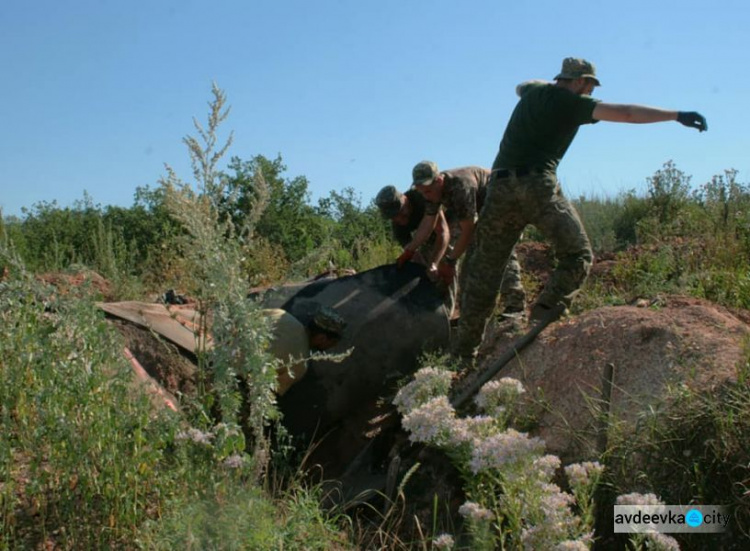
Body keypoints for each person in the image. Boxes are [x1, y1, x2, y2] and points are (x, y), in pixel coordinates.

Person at [453, 57, 707, 360]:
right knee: (578, 254)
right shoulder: (571, 103)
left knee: (486, 270)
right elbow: (625, 113)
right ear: (580, 81)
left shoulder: (534, 93)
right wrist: (676, 115)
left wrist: (546, 84)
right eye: (589, 85)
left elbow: (521, 86)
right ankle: (544, 313)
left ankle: (463, 353)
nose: (589, 91)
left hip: (499, 188)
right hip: (536, 186)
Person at [398, 161, 527, 317]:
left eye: (428, 191)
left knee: (496, 246)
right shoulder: (432, 191)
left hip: (504, 200)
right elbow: (428, 223)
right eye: (422, 192)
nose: (426, 196)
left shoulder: (461, 186)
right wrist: (410, 249)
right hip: (483, 209)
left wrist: (450, 262)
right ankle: (472, 317)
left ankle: (515, 305)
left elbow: (468, 230)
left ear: (439, 180)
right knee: (469, 269)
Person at [264, 305, 346, 395]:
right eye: (333, 342)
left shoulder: (282, 315)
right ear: (321, 338)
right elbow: (271, 392)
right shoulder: (300, 365)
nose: (333, 346)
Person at [375, 184, 450, 272]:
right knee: (425, 262)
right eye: (394, 216)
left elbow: (443, 232)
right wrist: (425, 270)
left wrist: (434, 263)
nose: (399, 218)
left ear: (405, 200)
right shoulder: (398, 227)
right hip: (429, 234)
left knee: (445, 262)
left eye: (401, 212)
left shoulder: (423, 198)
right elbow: (413, 253)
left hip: (454, 220)